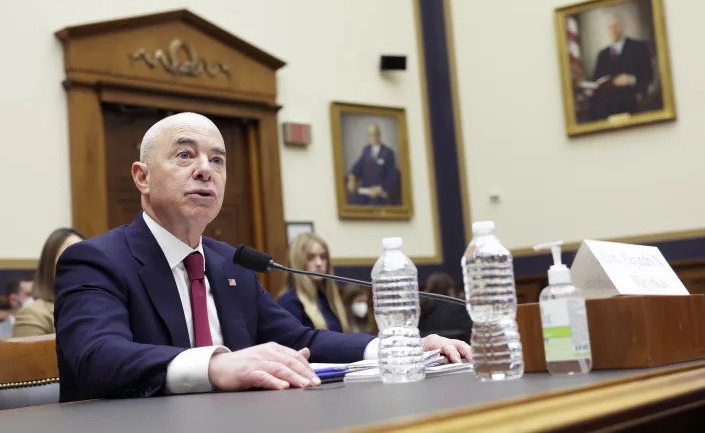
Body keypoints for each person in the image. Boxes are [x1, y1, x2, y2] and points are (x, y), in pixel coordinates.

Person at [54, 112, 471, 402]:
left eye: (217, 160)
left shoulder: (230, 263)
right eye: (185, 155)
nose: (206, 170)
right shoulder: (96, 260)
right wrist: (216, 366)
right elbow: (96, 357)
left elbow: (301, 341)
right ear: (142, 177)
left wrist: (400, 348)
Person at [12, 228, 85, 338]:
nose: (80, 264)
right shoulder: (33, 314)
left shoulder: (102, 306)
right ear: (50, 266)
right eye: (70, 257)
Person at [586, 13, 653, 121]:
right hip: (605, 104)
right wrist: (591, 89)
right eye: (610, 27)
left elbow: (648, 75)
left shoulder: (638, 47)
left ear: (622, 27)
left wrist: (631, 79)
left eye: (616, 26)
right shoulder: (602, 54)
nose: (613, 30)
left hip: (629, 98)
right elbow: (596, 80)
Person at [277, 233, 350, 333]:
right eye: (310, 258)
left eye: (323, 257)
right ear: (297, 262)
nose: (319, 263)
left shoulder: (327, 299)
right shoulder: (289, 302)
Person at [346, 123, 401, 205]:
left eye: (375, 134)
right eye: (371, 134)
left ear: (379, 134)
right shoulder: (366, 150)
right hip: (366, 191)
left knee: (374, 205)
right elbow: (357, 167)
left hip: (380, 193)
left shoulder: (388, 153)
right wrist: (352, 178)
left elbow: (393, 177)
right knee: (354, 201)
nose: (373, 136)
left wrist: (380, 188)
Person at [419, 272, 472, 341]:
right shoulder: (461, 310)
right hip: (458, 350)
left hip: (428, 351)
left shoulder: (421, 311)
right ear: (450, 290)